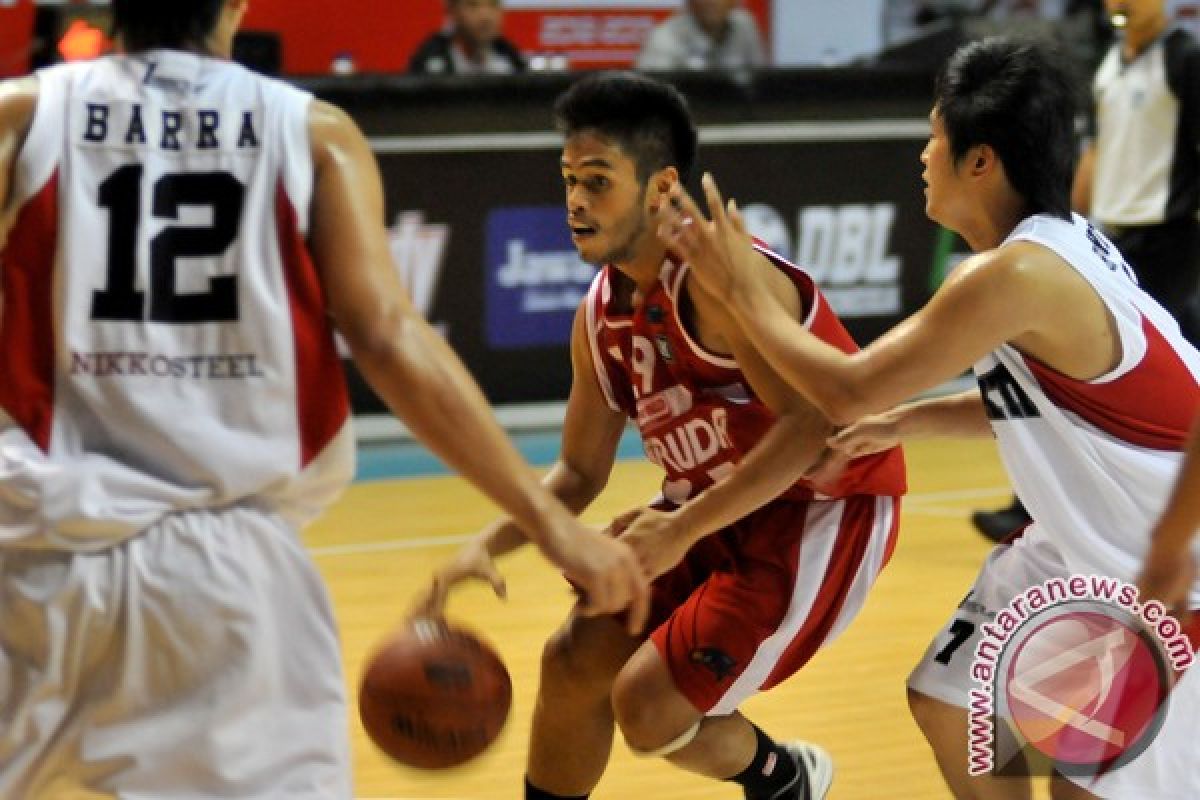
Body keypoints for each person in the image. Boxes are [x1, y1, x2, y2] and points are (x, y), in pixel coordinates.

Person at [0, 1, 649, 797]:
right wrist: (551, 523)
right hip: (221, 581)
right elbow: (385, 335)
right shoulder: (309, 133)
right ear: (236, 3)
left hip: (26, 558)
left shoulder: (22, 115)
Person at [658, 36, 1200, 799]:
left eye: (936, 137)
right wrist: (909, 422)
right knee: (953, 703)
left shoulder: (1015, 275)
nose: (923, 155)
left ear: (981, 161)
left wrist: (738, 288)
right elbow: (1052, 410)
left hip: (1171, 567)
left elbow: (846, 388)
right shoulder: (1053, 249)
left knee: (1080, 788)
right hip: (1088, 544)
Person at [418, 71, 906, 800]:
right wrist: (483, 546)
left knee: (646, 705)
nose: (576, 200)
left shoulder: (717, 280)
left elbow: (811, 432)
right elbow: (579, 473)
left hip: (824, 507)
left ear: (659, 185)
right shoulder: (598, 316)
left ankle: (784, 779)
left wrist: (678, 533)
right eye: (568, 180)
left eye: (597, 180)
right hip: (716, 504)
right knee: (574, 659)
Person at [1072, 0, 1200, 346]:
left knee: (1167, 346)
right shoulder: (1107, 65)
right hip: (1111, 235)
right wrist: (1072, 219)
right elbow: (1095, 149)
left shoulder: (1186, 57)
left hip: (1168, 234)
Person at [635, 0, 767, 71]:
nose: (712, 2)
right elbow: (651, 99)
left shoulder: (744, 27)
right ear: (689, 2)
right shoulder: (664, 38)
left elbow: (760, 83)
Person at [408, 0, 526, 76]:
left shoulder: (512, 61)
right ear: (452, 11)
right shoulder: (429, 63)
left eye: (493, 4)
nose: (485, 16)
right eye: (472, 5)